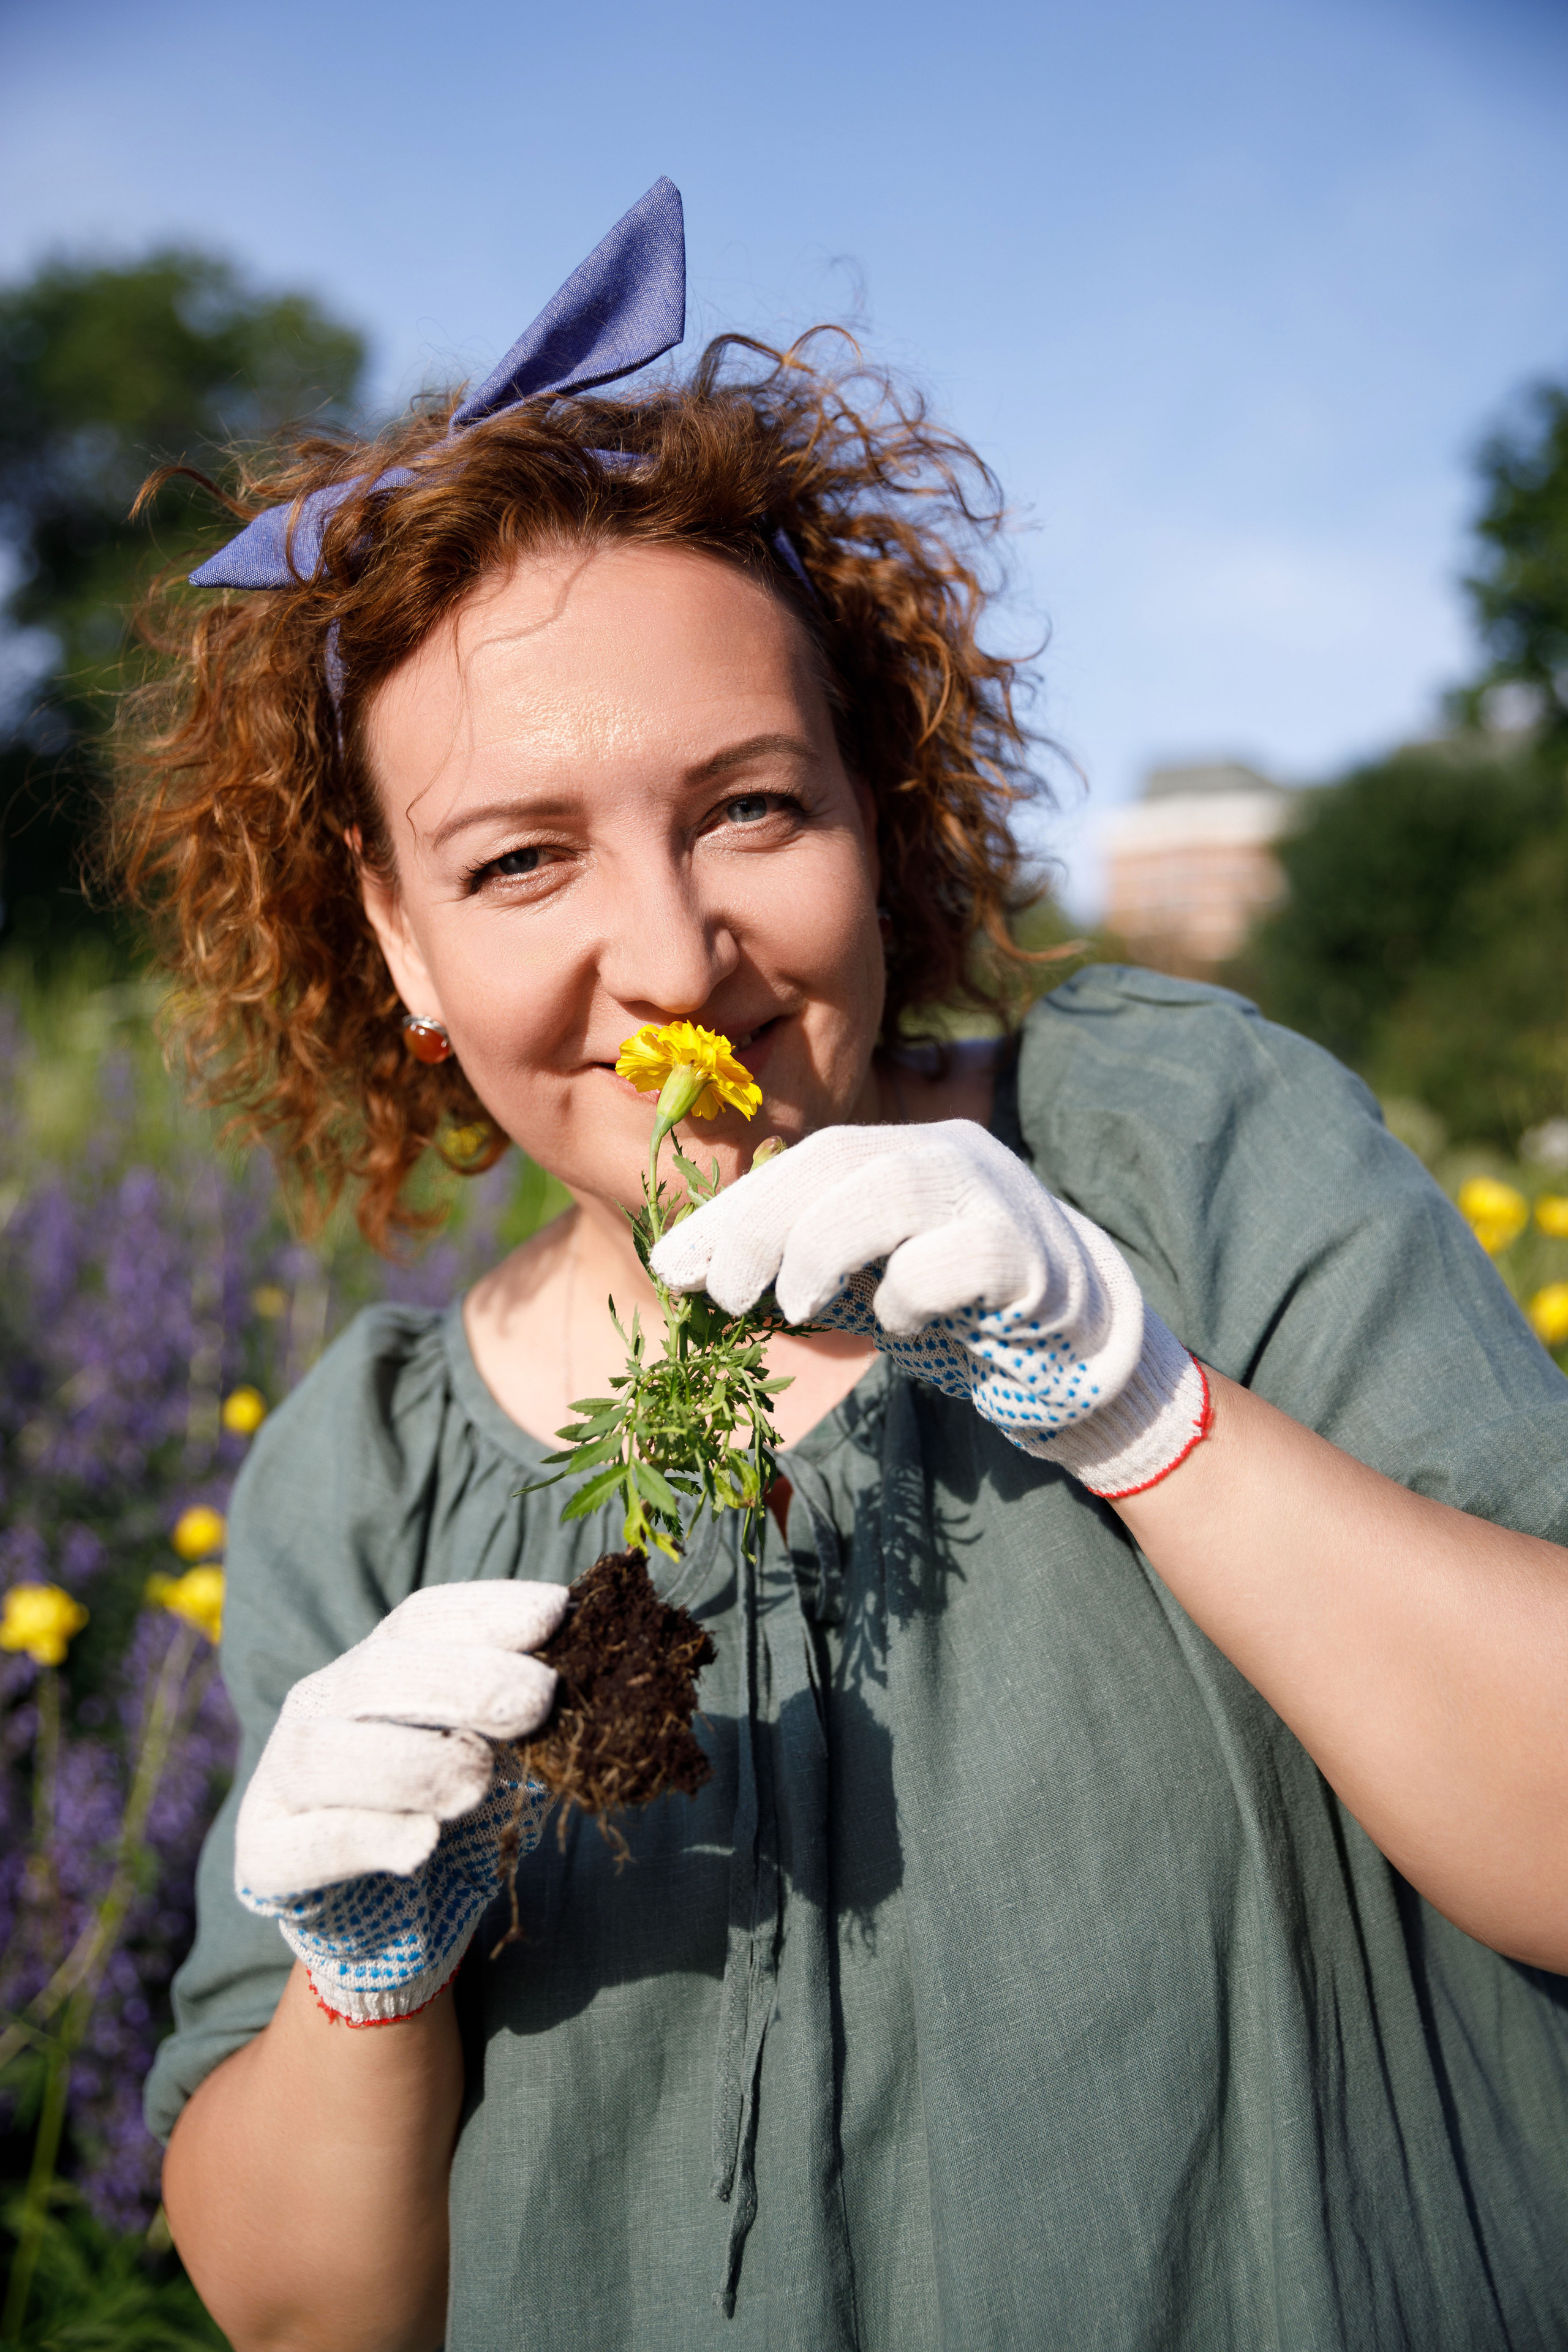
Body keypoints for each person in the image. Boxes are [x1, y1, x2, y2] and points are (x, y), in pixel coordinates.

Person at [122, 182, 1568, 2352]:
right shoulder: (367, 1464)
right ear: (401, 940)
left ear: (877, 813)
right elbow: (310, 2314)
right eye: (519, 861)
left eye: (752, 810)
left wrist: (1143, 1407)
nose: (670, 955)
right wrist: (363, 1969)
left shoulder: (1172, 1150)